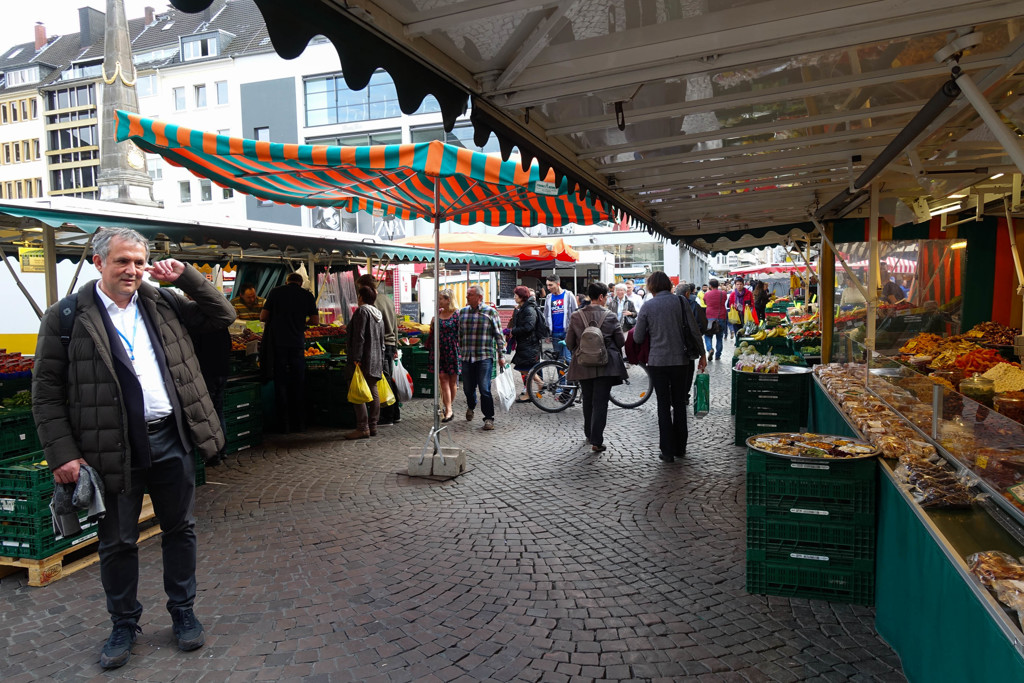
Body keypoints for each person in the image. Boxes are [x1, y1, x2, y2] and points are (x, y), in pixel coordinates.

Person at [32, 227, 236, 670]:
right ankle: (123, 622)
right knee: (118, 541)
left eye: (140, 262)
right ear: (98, 263)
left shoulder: (162, 301)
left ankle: (183, 611)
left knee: (179, 528)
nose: (133, 270)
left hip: (170, 435)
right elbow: (45, 392)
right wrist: (63, 454)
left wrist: (185, 276)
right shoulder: (66, 316)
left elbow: (222, 315)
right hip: (109, 445)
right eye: (123, 261)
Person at [632, 271, 707, 463]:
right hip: (681, 361)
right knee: (680, 404)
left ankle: (667, 451)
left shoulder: (648, 306)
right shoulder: (681, 302)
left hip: (657, 362)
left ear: (651, 287)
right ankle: (680, 447)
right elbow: (694, 330)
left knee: (663, 406)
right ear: (668, 284)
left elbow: (638, 337)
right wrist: (703, 354)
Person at [565, 282, 627, 453]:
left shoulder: (576, 316)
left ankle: (588, 433)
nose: (607, 299)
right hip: (605, 365)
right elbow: (621, 341)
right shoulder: (610, 316)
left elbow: (569, 342)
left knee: (588, 399)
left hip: (583, 365)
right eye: (606, 296)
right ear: (601, 297)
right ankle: (596, 440)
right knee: (601, 403)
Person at [260, 272, 318, 433]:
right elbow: (315, 321)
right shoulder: (307, 295)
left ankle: (284, 425)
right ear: (300, 283)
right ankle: (299, 423)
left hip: (277, 344)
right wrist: (300, 323)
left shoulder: (275, 292)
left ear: (287, 281)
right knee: (298, 383)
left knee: (281, 383)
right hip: (297, 344)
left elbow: (263, 316)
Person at [458, 285, 506, 430]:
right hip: (467, 357)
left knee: (485, 388)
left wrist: (501, 355)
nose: (467, 297)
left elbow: (499, 335)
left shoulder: (490, 312)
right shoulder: (463, 312)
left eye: (470, 294)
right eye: (467, 294)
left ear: (479, 297)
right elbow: (459, 334)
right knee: (467, 388)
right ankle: (471, 405)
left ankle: (488, 418)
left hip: (484, 356)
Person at [187, 315, 231, 467]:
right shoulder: (221, 323)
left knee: (208, 412)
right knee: (218, 410)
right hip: (222, 370)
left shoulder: (199, 326)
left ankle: (213, 453)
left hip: (207, 372)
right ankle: (222, 449)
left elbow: (194, 349)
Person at [356, 274, 400, 425]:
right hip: (390, 341)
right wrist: (395, 343)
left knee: (382, 380)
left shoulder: (372, 303)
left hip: (381, 344)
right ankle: (395, 413)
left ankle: (387, 415)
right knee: (388, 379)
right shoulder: (387, 299)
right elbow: (395, 323)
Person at [344, 285, 386, 439]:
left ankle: (362, 427)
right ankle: (373, 425)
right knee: (373, 389)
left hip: (363, 359)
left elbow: (359, 336)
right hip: (375, 358)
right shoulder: (378, 313)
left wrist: (356, 357)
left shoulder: (362, 311)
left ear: (361, 297)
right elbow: (381, 339)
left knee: (357, 391)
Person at [425, 289, 461, 422]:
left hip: (452, 350)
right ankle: (449, 410)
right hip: (439, 350)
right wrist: (433, 323)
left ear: (448, 300)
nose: (439, 301)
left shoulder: (457, 314)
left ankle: (448, 407)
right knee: (442, 378)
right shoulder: (438, 313)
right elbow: (433, 332)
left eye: (441, 298)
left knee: (452, 382)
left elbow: (460, 334)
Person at [509, 285, 542, 403]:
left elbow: (529, 326)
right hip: (525, 343)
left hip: (529, 343)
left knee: (526, 368)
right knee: (524, 368)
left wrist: (514, 331)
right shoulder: (523, 308)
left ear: (522, 296)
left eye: (516, 295)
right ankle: (539, 383)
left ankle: (529, 393)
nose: (514, 297)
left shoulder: (529, 309)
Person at [543, 274, 578, 361]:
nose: (548, 287)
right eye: (547, 285)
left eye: (551, 285)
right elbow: (546, 315)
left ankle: (570, 375)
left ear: (558, 284)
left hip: (568, 332)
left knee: (568, 358)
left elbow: (576, 313)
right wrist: (547, 334)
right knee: (558, 359)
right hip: (554, 332)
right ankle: (561, 375)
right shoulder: (549, 297)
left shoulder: (569, 295)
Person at [702, 279, 728, 360]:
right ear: (718, 285)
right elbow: (724, 301)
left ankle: (710, 349)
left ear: (710, 286)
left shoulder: (707, 294)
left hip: (710, 317)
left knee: (708, 335)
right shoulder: (723, 293)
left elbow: (705, 302)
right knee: (719, 337)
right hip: (721, 317)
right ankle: (718, 355)